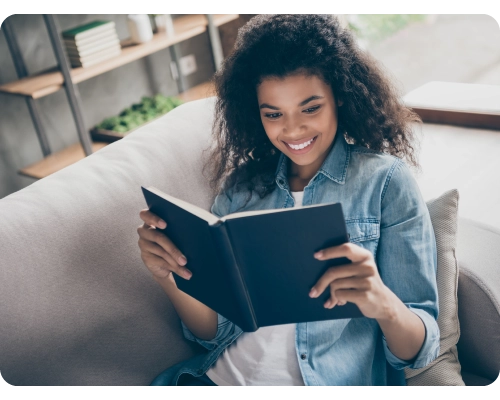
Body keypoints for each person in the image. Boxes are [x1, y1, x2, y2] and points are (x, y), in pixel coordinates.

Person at [137, 14, 440, 387]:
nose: (292, 130)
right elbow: (215, 333)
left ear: (340, 97)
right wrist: (169, 277)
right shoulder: (241, 187)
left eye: (310, 108)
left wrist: (383, 303)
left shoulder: (385, 183)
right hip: (214, 381)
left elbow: (421, 348)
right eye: (274, 114)